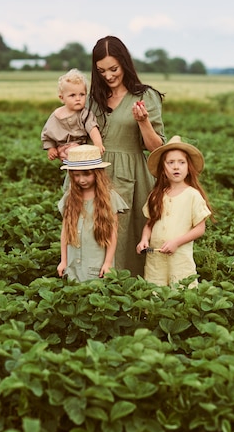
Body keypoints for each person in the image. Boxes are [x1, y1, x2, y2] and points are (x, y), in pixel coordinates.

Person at [88, 35, 166, 276]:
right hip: (93, 173)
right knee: (91, 234)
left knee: (124, 238)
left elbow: (156, 147)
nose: (108, 76)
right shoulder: (92, 99)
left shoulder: (145, 96)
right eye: (101, 71)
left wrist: (143, 122)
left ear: (125, 63)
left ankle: (128, 298)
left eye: (113, 69)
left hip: (130, 174)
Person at [136, 136, 214, 287]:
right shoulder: (156, 195)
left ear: (188, 167)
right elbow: (149, 224)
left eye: (181, 162)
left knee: (181, 292)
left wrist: (176, 242)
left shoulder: (192, 195)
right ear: (163, 169)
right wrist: (144, 239)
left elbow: (200, 228)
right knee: (155, 292)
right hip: (156, 260)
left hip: (179, 258)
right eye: (170, 163)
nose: (176, 167)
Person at [57, 144, 128, 282]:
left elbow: (113, 234)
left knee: (95, 295)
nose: (81, 180)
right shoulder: (69, 198)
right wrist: (63, 260)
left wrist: (107, 263)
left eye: (87, 174)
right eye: (76, 175)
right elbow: (65, 231)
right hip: (73, 265)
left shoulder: (109, 198)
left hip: (96, 264)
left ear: (97, 173)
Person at [41, 68, 104, 161]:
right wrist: (51, 149)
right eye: (72, 95)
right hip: (63, 149)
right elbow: (48, 135)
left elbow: (92, 128)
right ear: (62, 98)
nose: (78, 98)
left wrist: (98, 143)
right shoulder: (57, 115)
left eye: (82, 94)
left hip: (80, 147)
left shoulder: (84, 113)